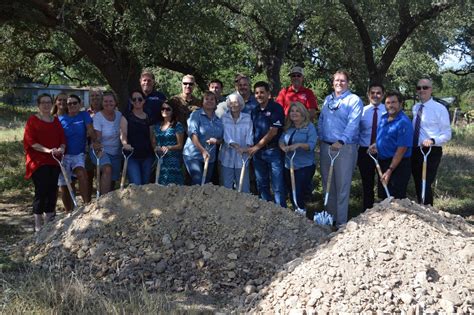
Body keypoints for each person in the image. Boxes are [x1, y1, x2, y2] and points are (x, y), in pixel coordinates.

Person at [318, 70, 363, 226]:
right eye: (336, 80)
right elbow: (322, 119)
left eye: (342, 80)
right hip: (326, 147)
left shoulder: (354, 100)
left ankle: (341, 223)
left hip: (344, 148)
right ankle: (329, 220)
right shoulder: (328, 99)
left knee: (342, 186)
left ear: (348, 83)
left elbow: (353, 124)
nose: (339, 83)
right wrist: (320, 137)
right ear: (333, 82)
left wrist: (341, 141)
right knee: (328, 185)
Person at [24, 93, 66, 232]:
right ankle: (37, 222)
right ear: (38, 105)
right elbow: (31, 142)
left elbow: (62, 139)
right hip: (38, 161)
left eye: (49, 102)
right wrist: (48, 150)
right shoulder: (33, 120)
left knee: (52, 190)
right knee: (41, 190)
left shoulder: (55, 120)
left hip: (54, 160)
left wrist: (61, 148)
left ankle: (49, 220)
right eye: (43, 102)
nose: (46, 105)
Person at [411, 78, 451, 205]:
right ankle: (422, 209)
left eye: (425, 87)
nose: (421, 90)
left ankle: (428, 210)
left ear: (431, 90)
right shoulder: (415, 107)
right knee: (418, 182)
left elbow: (447, 134)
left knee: (425, 182)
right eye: (419, 88)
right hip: (416, 149)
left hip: (431, 150)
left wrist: (432, 140)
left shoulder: (440, 109)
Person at [248, 81, 286, 207]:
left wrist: (256, 147)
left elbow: (273, 132)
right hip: (258, 154)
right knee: (262, 184)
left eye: (262, 92)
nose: (259, 95)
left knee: (277, 185)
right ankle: (266, 212)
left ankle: (282, 213)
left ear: (268, 94)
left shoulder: (276, 108)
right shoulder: (255, 111)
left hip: (273, 151)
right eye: (257, 93)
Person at [369, 91, 413, 199]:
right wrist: (376, 145)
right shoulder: (384, 118)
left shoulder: (404, 122)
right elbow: (383, 137)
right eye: (388, 103)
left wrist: (389, 170)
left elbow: (401, 149)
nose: (390, 105)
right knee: (384, 197)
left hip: (397, 166)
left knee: (395, 200)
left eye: (393, 102)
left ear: (401, 104)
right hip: (383, 163)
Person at [279, 102, 317, 217]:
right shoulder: (288, 127)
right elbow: (281, 140)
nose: (294, 113)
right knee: (292, 190)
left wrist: (299, 145)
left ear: (303, 113)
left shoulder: (309, 127)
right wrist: (283, 147)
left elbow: (311, 145)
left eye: (297, 111)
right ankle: (296, 212)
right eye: (292, 111)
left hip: (304, 166)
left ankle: (302, 213)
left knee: (299, 191)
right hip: (289, 165)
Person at [58, 94, 95, 211]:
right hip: (63, 155)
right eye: (69, 103)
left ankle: (86, 206)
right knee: (66, 184)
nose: (72, 105)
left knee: (81, 173)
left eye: (75, 103)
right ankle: (69, 211)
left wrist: (93, 137)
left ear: (80, 104)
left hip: (78, 154)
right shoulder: (61, 119)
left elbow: (90, 129)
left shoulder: (84, 115)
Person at [183, 91, 223, 185]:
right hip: (193, 154)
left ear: (216, 102)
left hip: (210, 157)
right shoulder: (196, 115)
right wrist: (203, 151)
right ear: (202, 102)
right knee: (198, 181)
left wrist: (217, 141)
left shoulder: (218, 120)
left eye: (212, 99)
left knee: (206, 184)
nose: (209, 101)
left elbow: (222, 139)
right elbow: (193, 134)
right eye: (206, 99)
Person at [357, 83, 387, 210]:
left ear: (383, 95)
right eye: (372, 93)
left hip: (383, 150)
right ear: (368, 95)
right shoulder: (362, 111)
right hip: (365, 150)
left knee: (384, 181)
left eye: (378, 93)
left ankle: (385, 210)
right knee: (367, 183)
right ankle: (367, 210)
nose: (375, 95)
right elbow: (356, 131)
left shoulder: (387, 111)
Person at [219, 93, 253, 192]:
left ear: (241, 104)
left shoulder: (247, 117)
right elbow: (224, 134)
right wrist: (232, 143)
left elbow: (250, 134)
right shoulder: (224, 118)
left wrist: (247, 148)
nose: (233, 104)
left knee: (244, 187)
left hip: (243, 155)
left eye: (236, 102)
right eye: (231, 102)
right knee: (226, 187)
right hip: (227, 156)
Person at [120, 90, 155, 185]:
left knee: (146, 184)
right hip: (132, 156)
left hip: (147, 155)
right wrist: (125, 144)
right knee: (136, 184)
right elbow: (123, 133)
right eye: (134, 99)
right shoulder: (126, 116)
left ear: (144, 101)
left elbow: (152, 136)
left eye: (140, 99)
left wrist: (156, 148)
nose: (137, 101)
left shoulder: (148, 116)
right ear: (131, 101)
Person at [90, 91, 122, 194]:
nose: (108, 103)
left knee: (112, 179)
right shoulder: (98, 116)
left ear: (115, 102)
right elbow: (97, 137)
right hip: (101, 149)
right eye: (105, 101)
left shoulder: (119, 115)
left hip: (116, 151)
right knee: (107, 169)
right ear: (102, 103)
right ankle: (103, 203)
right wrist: (97, 146)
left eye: (111, 101)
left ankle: (109, 201)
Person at [154, 99, 185, 185]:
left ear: (173, 111)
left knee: (173, 187)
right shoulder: (157, 126)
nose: (165, 111)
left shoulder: (177, 125)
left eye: (168, 109)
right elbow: (155, 142)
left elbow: (180, 145)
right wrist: (156, 148)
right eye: (163, 108)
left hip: (173, 160)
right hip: (160, 159)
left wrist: (168, 147)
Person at [86, 88, 102, 199]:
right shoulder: (84, 113)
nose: (95, 98)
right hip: (88, 147)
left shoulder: (107, 110)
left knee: (102, 175)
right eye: (92, 96)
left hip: (103, 147)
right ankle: (87, 203)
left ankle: (102, 199)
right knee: (88, 175)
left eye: (97, 96)